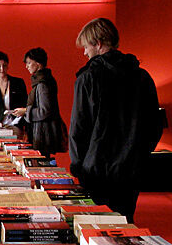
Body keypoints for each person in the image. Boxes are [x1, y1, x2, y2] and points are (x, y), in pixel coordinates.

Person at [69, 18, 162, 222]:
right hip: (132, 168)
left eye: (86, 46)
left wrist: (78, 166)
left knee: (95, 228)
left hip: (96, 171)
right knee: (125, 223)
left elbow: (79, 128)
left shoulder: (88, 78)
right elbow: (155, 125)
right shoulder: (142, 76)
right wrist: (138, 153)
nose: (84, 52)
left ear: (99, 43)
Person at [10, 47, 67, 156]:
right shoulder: (44, 81)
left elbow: (45, 111)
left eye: (29, 63)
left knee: (42, 164)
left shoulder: (42, 84)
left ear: (38, 63)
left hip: (43, 135)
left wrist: (25, 111)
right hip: (44, 133)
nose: (26, 66)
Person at [0, 51, 28, 130]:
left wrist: (22, 111)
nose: (2, 69)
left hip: (15, 124)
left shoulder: (18, 82)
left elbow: (25, 103)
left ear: (8, 67)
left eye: (4, 66)